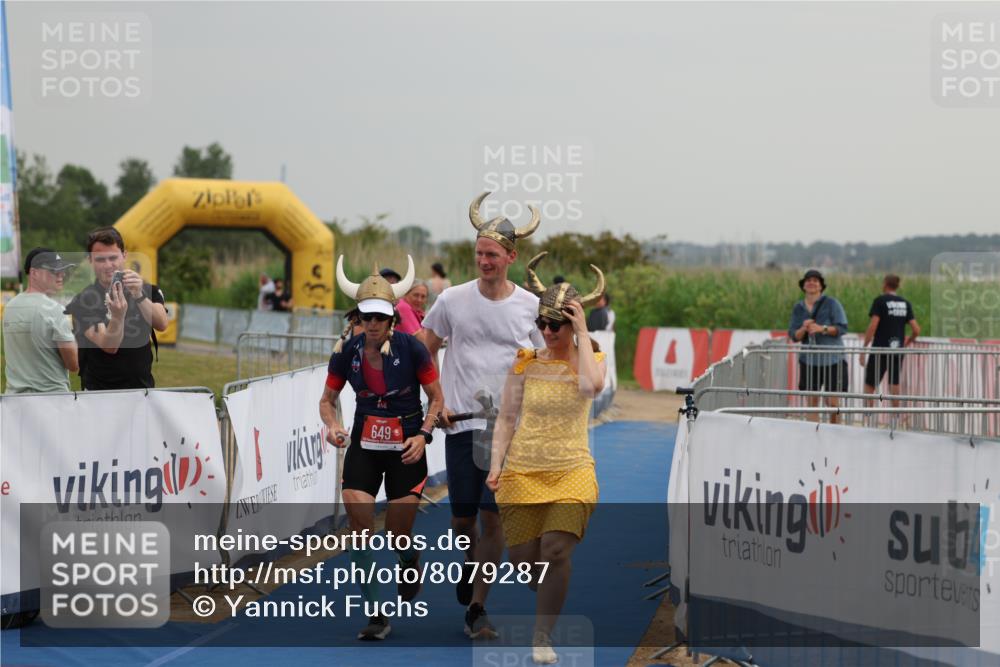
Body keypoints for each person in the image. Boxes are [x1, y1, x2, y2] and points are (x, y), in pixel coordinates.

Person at [418, 191, 544, 638]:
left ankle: (477, 608)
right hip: (461, 424)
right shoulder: (452, 300)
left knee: (494, 519)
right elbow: (423, 354)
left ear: (511, 256)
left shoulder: (530, 306)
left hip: (507, 430)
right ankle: (470, 564)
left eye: (492, 254)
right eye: (478, 254)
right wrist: (436, 405)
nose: (484, 261)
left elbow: (544, 365)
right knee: (462, 521)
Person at [487, 258, 606, 664]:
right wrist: (495, 466)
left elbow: (592, 388)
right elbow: (505, 418)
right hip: (522, 470)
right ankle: (548, 591)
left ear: (572, 323)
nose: (549, 331)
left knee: (556, 551)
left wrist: (585, 332)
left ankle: (542, 636)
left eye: (558, 323)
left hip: (572, 468)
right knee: (528, 568)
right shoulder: (525, 361)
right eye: (543, 323)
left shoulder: (590, 358)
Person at [319, 255, 444, 641]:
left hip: (406, 447)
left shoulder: (413, 349)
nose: (371, 324)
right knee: (359, 529)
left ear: (392, 319)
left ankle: (409, 561)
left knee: (396, 533)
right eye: (365, 317)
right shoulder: (345, 351)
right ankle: (376, 613)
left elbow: (437, 399)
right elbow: (327, 400)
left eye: (379, 318)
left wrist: (422, 435)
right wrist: (333, 425)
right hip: (365, 446)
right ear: (357, 317)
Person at [64, 227, 168, 390]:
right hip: (99, 393)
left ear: (124, 256)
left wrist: (139, 295)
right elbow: (109, 346)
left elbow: (161, 323)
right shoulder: (83, 301)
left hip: (141, 390)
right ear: (90, 261)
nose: (108, 265)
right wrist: (118, 317)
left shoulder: (147, 289)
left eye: (113, 258)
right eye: (100, 260)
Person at [2, 248, 78, 393]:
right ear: (34, 273)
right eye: (54, 271)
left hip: (15, 401)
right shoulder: (55, 309)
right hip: (51, 400)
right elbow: (73, 364)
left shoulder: (10, 307)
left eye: (62, 270)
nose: (61, 275)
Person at [788, 269, 849, 424]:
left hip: (833, 359)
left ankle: (835, 433)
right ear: (803, 285)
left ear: (821, 286)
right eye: (808, 280)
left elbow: (842, 328)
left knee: (833, 403)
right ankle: (812, 437)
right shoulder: (798, 307)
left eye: (816, 280)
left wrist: (823, 328)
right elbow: (794, 335)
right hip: (809, 361)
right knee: (812, 403)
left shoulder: (832, 303)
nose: (812, 283)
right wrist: (804, 329)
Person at [860, 274, 920, 404]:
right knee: (894, 382)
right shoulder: (905, 303)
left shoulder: (880, 301)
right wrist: (908, 342)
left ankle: (868, 419)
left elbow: (873, 325)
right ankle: (896, 418)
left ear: (885, 284)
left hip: (880, 348)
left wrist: (864, 348)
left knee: (870, 385)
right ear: (897, 286)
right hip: (897, 349)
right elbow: (916, 329)